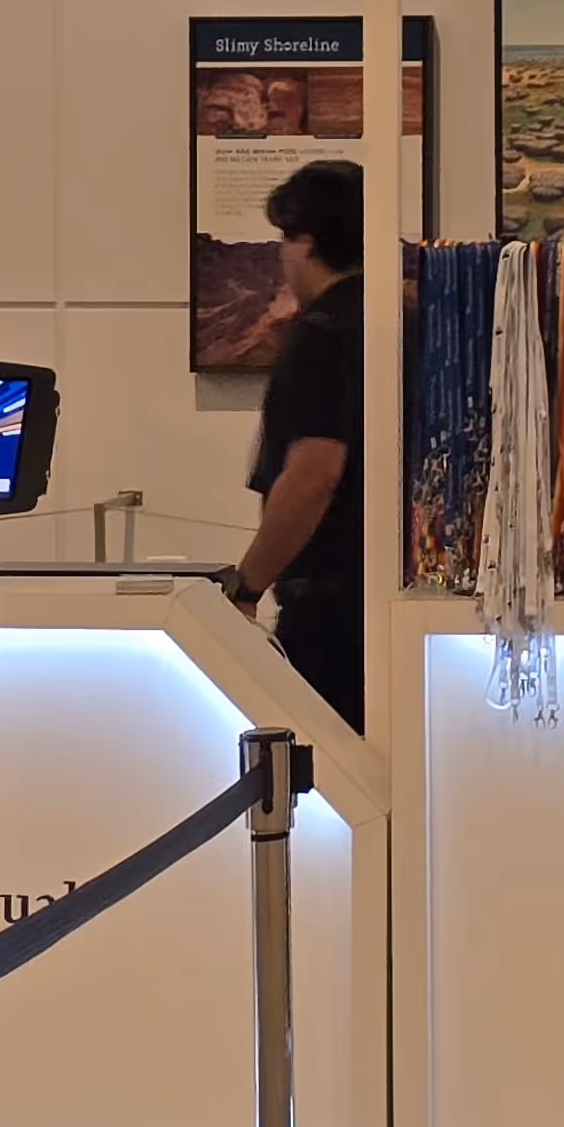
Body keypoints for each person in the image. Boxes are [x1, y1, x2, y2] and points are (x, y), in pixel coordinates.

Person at [229, 158, 365, 730]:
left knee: (319, 760)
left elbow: (313, 475)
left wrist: (247, 584)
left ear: (305, 243)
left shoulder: (320, 334)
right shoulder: (397, 318)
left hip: (326, 609)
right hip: (383, 595)